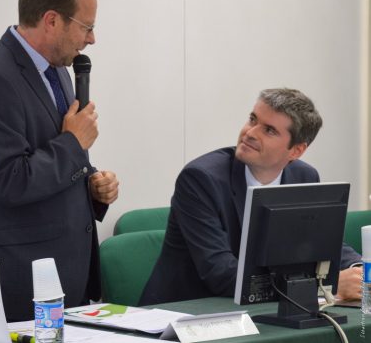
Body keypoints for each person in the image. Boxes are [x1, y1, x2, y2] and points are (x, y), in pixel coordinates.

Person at [0, 0, 119, 321]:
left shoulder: (58, 69)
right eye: (86, 26)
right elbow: (8, 181)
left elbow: (56, 155)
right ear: (51, 20)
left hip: (65, 274)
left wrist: (93, 184)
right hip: (19, 280)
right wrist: (74, 145)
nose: (91, 39)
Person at [139, 88, 362, 305]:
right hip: (186, 313)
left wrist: (358, 270)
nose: (250, 133)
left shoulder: (304, 176)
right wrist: (324, 285)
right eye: (253, 120)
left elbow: (322, 241)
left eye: (269, 130)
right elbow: (220, 272)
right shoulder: (200, 179)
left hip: (258, 309)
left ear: (296, 151)